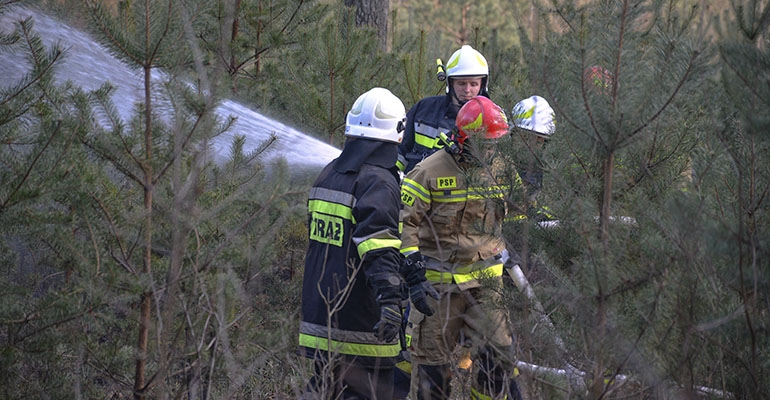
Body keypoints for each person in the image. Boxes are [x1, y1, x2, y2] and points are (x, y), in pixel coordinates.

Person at [298, 87, 435, 399]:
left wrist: (413, 275)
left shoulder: (329, 173)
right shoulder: (378, 181)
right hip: (362, 319)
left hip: (321, 312)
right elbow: (378, 247)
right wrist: (389, 303)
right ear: (399, 132)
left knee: (326, 388)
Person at [400, 96, 521, 400]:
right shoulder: (428, 171)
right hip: (439, 288)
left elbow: (519, 209)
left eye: (495, 144)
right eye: (486, 144)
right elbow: (404, 223)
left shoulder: (502, 169)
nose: (491, 151)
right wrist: (412, 270)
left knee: (499, 358)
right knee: (433, 370)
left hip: (487, 285)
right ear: (464, 139)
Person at [396, 44, 491, 174]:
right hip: (413, 188)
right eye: (461, 83)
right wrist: (394, 178)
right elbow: (401, 150)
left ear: (482, 85)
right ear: (450, 83)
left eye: (474, 84)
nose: (467, 90)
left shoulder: (490, 120)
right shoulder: (424, 109)